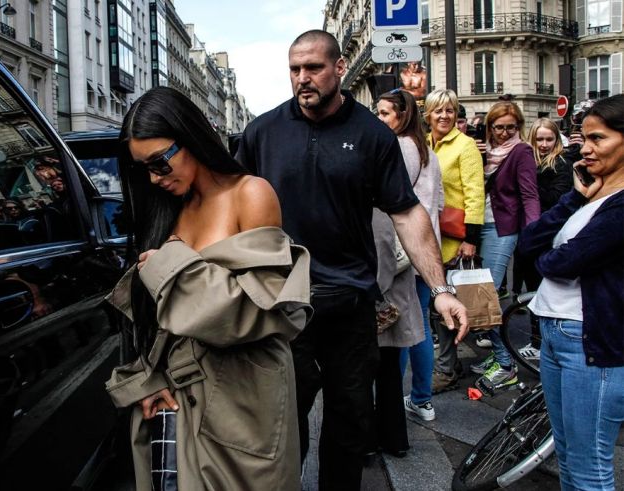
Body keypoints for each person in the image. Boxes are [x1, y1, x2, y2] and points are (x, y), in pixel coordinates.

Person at [236, 30, 469, 489]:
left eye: (314, 68)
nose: (303, 79)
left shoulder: (371, 134)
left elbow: (406, 212)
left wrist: (440, 290)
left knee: (349, 422)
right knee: (282, 423)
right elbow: (230, 204)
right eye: (295, 69)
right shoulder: (262, 132)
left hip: (350, 304)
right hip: (281, 306)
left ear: (340, 68)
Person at [104, 86, 312, 490]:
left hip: (244, 397)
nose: (154, 178)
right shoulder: (167, 209)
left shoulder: (250, 193)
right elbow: (154, 317)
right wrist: (147, 381)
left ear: (192, 136)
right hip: (177, 394)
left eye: (160, 163)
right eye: (143, 169)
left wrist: (169, 266)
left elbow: (264, 311)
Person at [518, 94, 624, 490]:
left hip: (591, 344)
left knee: (589, 468)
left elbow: (561, 262)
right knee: (567, 459)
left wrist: (552, 256)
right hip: (558, 335)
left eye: (598, 139)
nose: (586, 148)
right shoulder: (592, 196)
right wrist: (575, 198)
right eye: (583, 138)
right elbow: (529, 244)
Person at [376, 89, 444, 421]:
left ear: (402, 116)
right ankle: (422, 398)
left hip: (404, 251)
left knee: (400, 330)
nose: (379, 119)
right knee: (421, 327)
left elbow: (390, 201)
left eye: (385, 113)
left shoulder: (399, 148)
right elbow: (439, 203)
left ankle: (394, 402)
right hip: (424, 248)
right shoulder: (427, 150)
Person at [468, 101, 540, 392]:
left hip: (502, 227)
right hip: (480, 225)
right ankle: (500, 357)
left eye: (511, 127)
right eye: (499, 127)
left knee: (486, 296)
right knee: (482, 293)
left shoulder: (521, 151)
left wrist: (533, 231)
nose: (504, 133)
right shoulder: (486, 151)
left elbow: (529, 194)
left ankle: (505, 364)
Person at [424, 89, 485, 393]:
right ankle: (451, 364)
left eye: (450, 111)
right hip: (430, 235)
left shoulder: (465, 146)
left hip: (453, 238)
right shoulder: (424, 143)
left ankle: (446, 369)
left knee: (445, 305)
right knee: (437, 305)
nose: (445, 116)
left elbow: (475, 194)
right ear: (428, 114)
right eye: (439, 111)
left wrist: (471, 239)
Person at [511, 118, 575, 357]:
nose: (545, 144)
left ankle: (541, 344)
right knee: (532, 291)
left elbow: (557, 197)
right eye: (540, 139)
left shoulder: (561, 163)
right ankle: (537, 341)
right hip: (531, 233)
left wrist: (529, 189)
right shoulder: (529, 160)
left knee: (543, 291)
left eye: (549, 139)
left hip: (549, 235)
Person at [370, 208, 423, 457]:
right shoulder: (400, 207)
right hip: (396, 301)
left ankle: (371, 442)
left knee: (368, 375)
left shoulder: (377, 212)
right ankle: (394, 440)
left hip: (383, 304)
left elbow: (382, 266)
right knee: (389, 374)